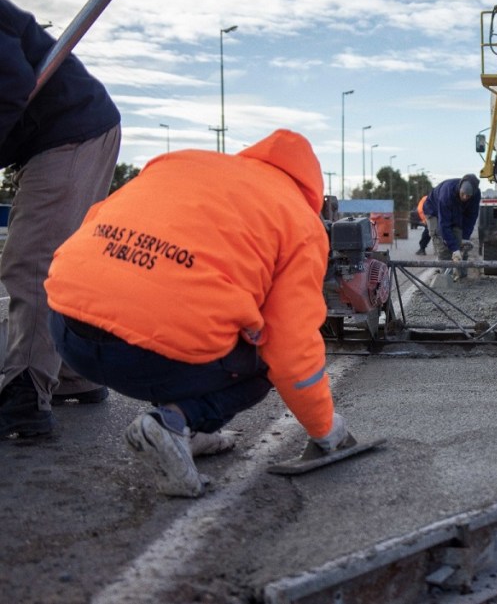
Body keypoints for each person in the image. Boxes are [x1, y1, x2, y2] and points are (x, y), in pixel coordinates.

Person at [45, 129, 354, 498]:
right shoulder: (300, 221)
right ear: (312, 189)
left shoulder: (179, 163)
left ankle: (191, 436)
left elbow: (95, 222)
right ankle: (174, 422)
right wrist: (324, 429)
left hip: (66, 329)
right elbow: (292, 348)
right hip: (147, 355)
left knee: (194, 315)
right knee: (265, 356)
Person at [0, 0, 122, 439]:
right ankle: (74, 372)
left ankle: (25, 397)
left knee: (33, 259)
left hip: (68, 129)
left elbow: (10, 81)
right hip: (75, 127)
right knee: (65, 263)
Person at [423, 174, 481, 268]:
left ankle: (461, 273)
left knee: (460, 243)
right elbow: (444, 225)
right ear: (460, 189)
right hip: (433, 210)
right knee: (441, 241)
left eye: (468, 196)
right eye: (463, 194)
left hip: (456, 210)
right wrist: (454, 249)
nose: (465, 197)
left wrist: (464, 238)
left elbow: (471, 217)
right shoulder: (447, 194)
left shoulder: (476, 195)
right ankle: (444, 272)